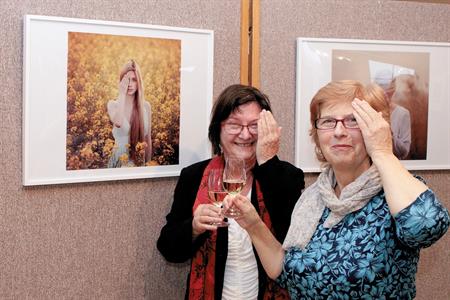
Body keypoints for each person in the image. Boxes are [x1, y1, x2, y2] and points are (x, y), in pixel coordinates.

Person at [224, 80, 449, 299]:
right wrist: (253, 225)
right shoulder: (314, 198)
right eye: (328, 122)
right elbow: (284, 272)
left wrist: (382, 151)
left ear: (375, 129)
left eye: (353, 120)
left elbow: (427, 225)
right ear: (317, 135)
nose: (339, 131)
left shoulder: (395, 195)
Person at [157, 84, 305, 299]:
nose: (245, 134)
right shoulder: (194, 176)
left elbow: (292, 242)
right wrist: (194, 227)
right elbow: (169, 250)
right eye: (235, 125)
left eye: (254, 126)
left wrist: (267, 162)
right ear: (218, 130)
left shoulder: (287, 177)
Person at [107, 59, 152, 167]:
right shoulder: (113, 105)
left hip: (138, 161)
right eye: (127, 80)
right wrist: (121, 93)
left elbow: (148, 139)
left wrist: (148, 165)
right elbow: (118, 122)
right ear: (121, 81)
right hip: (118, 162)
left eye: (134, 80)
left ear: (139, 82)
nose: (130, 84)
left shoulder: (146, 106)